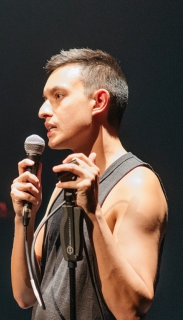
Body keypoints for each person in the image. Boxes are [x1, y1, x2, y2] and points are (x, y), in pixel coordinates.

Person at [10, 49, 167, 319]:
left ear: (99, 101)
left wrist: (94, 214)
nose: (42, 111)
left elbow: (129, 309)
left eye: (58, 97)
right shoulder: (67, 183)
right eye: (45, 100)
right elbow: (25, 295)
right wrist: (24, 216)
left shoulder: (138, 183)